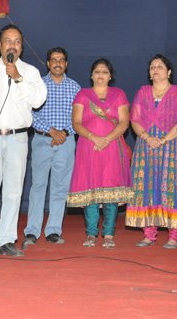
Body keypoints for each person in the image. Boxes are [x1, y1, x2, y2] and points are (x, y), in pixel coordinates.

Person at [0, 24, 47, 258]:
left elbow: (38, 100)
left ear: (21, 47)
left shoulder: (30, 72)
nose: (12, 45)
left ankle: (6, 239)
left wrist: (18, 78)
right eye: (7, 41)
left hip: (18, 138)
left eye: (16, 41)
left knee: (13, 192)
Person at [67, 58, 132, 249]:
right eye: (97, 71)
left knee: (111, 191)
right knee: (91, 190)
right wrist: (94, 138)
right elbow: (76, 123)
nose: (100, 75)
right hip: (89, 147)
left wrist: (106, 139)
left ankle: (109, 234)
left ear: (110, 76)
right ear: (91, 75)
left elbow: (124, 122)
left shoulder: (119, 94)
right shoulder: (82, 95)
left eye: (104, 72)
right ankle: (91, 233)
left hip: (112, 147)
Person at [22, 47, 81, 250]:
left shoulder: (74, 87)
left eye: (61, 60)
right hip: (42, 140)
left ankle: (54, 230)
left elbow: (79, 117)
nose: (57, 63)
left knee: (60, 188)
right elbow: (30, 114)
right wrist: (51, 131)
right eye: (54, 60)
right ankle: (32, 231)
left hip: (66, 142)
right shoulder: (38, 85)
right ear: (48, 63)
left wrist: (62, 133)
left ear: (66, 64)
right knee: (38, 186)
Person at [125, 54, 177, 249]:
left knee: (171, 187)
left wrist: (164, 139)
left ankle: (174, 236)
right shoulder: (143, 92)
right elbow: (134, 119)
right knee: (146, 187)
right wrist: (148, 138)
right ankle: (149, 234)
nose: (155, 69)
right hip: (146, 145)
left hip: (171, 145)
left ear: (169, 72)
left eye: (159, 66)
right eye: (152, 67)